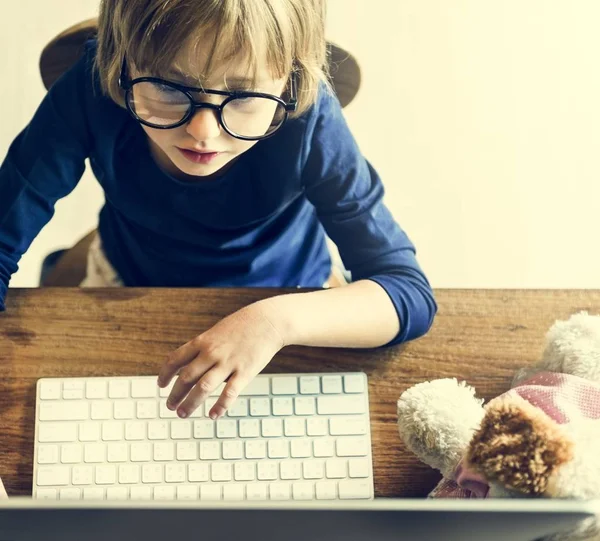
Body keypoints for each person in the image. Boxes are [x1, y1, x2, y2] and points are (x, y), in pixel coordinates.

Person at [0, 0, 437, 419]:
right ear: (121, 62)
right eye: (169, 88)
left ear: (290, 80)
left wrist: (275, 321)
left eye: (244, 96)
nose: (203, 132)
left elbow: (408, 292)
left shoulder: (312, 117)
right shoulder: (91, 86)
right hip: (128, 277)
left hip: (291, 292)